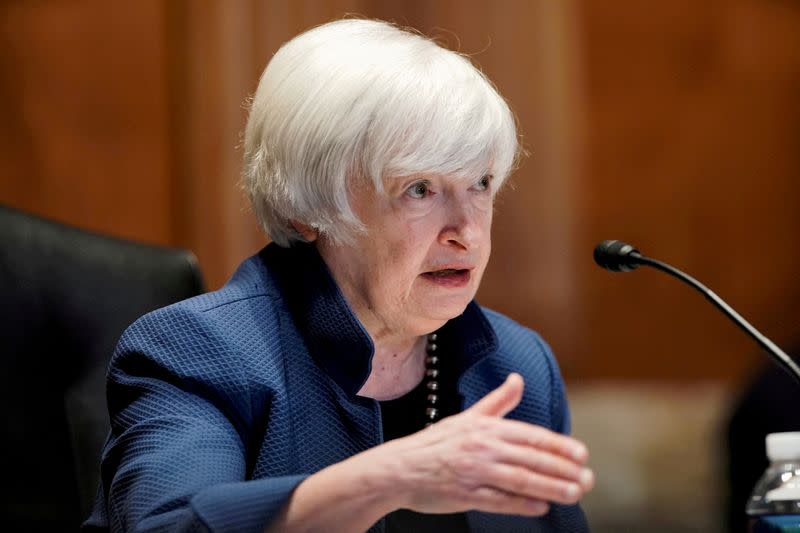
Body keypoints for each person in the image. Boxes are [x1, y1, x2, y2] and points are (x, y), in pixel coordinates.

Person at [85, 18, 594, 532]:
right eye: (419, 188)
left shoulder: (515, 366)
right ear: (307, 205)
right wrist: (387, 479)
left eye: (480, 183)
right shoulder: (197, 351)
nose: (468, 232)